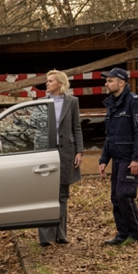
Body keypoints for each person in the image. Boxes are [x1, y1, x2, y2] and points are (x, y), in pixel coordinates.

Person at [98, 67, 138, 245]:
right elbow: (110, 136)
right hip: (117, 158)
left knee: (124, 195)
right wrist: (104, 159)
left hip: (129, 158)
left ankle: (136, 234)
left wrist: (137, 158)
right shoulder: (113, 103)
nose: (106, 83)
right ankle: (122, 234)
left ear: (121, 83)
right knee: (116, 197)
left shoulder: (133, 102)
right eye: (106, 80)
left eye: (110, 80)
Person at [38, 70, 84, 247]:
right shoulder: (41, 103)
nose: (47, 84)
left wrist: (79, 151)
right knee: (45, 193)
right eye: (47, 81)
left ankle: (61, 234)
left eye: (50, 81)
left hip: (66, 152)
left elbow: (76, 127)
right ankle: (45, 237)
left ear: (60, 83)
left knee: (62, 194)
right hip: (46, 152)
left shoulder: (72, 102)